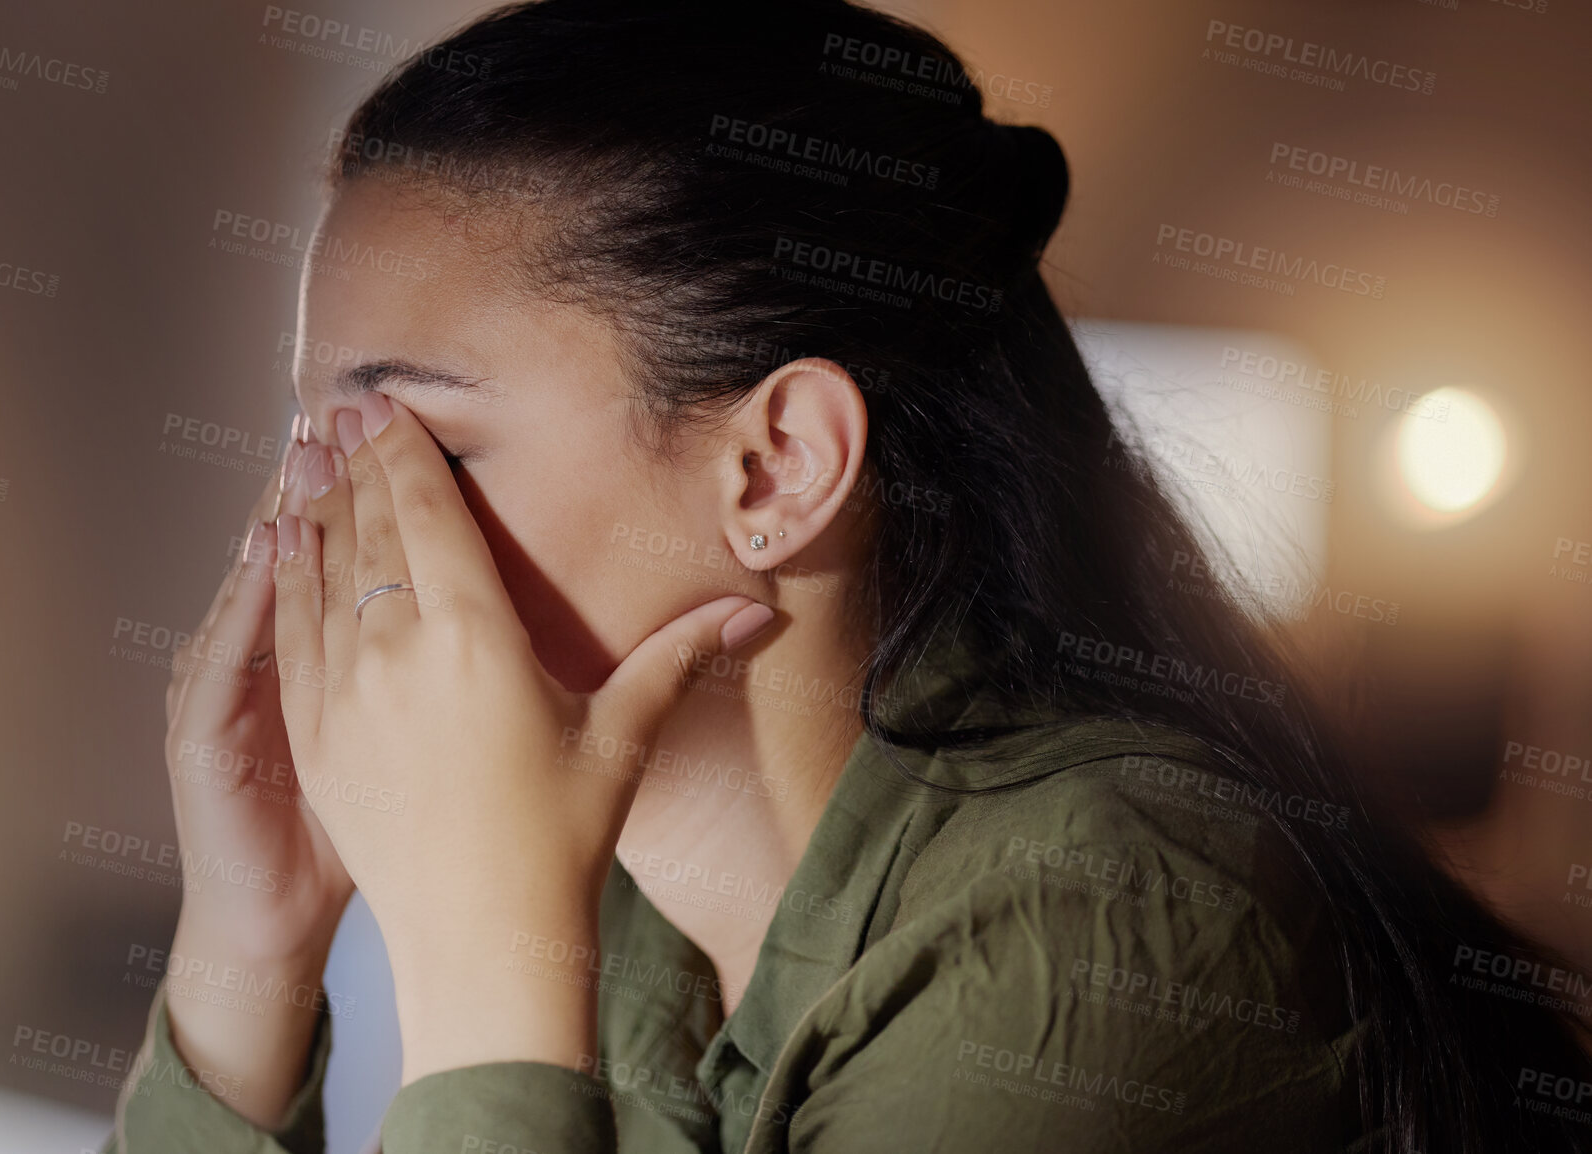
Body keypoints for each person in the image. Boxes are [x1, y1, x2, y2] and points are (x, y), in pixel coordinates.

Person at [102, 1, 1592, 1150]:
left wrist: (488, 953)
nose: (317, 524)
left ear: (775, 468)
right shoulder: (631, 926)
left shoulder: (1100, 921)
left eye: (411, 440)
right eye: (313, 443)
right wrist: (255, 941)